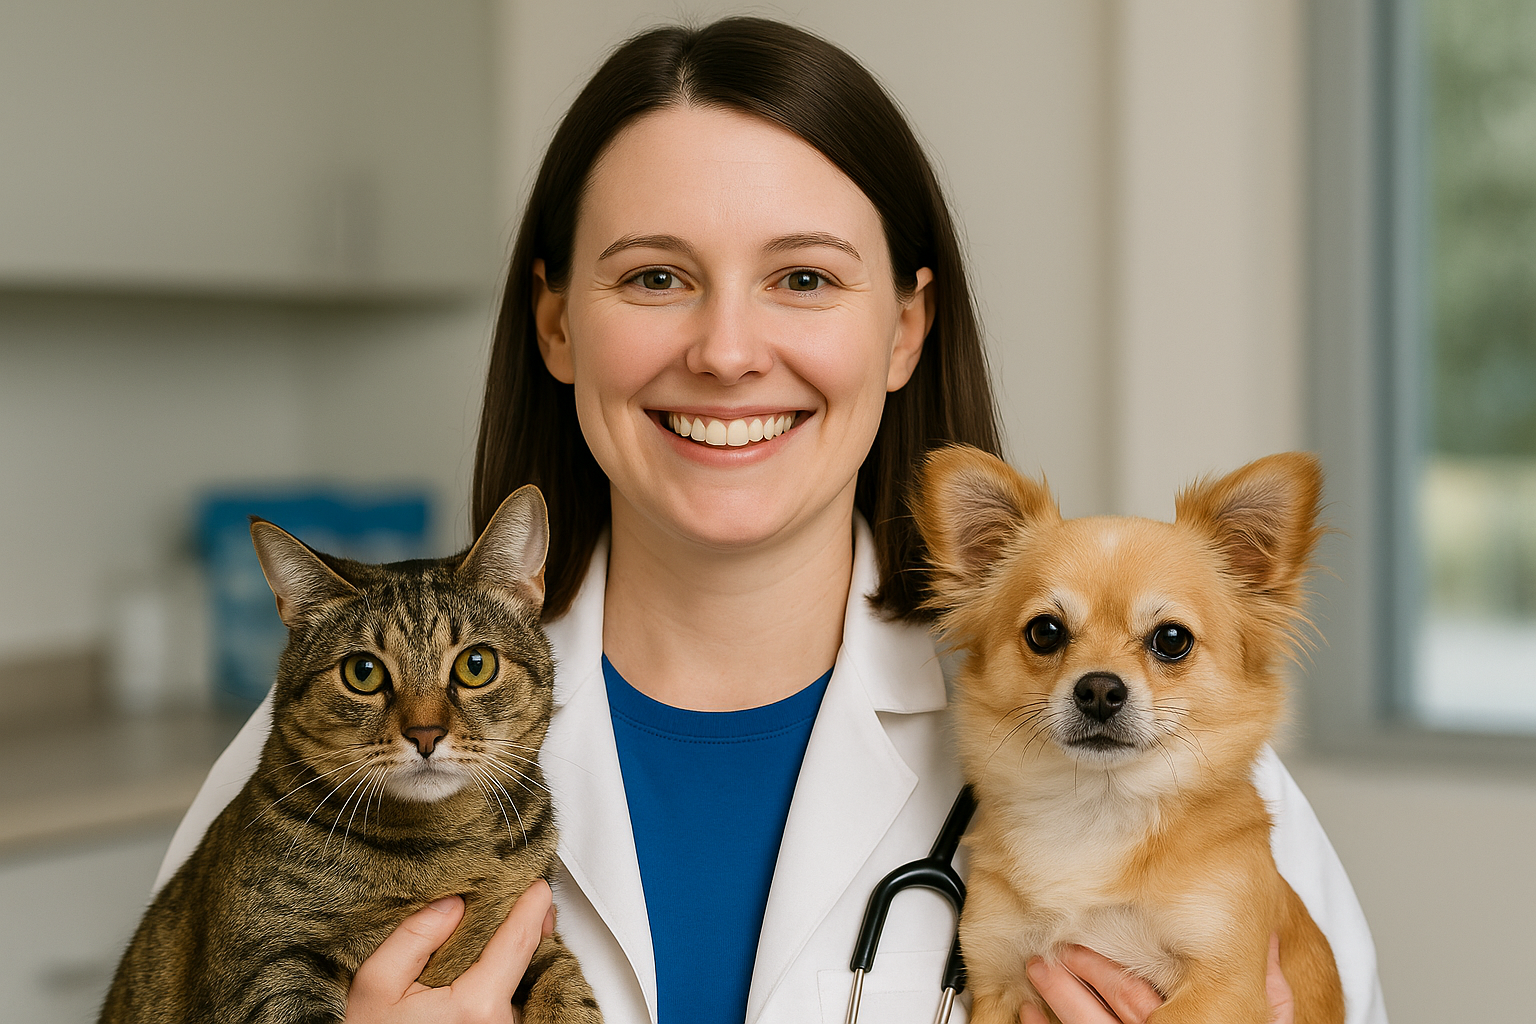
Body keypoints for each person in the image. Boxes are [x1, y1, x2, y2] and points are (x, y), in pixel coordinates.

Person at [159, 17, 1388, 1024]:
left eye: (802, 277)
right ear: (555, 324)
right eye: (654, 276)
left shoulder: (1159, 762)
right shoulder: (333, 747)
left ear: (905, 328)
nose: (729, 350)